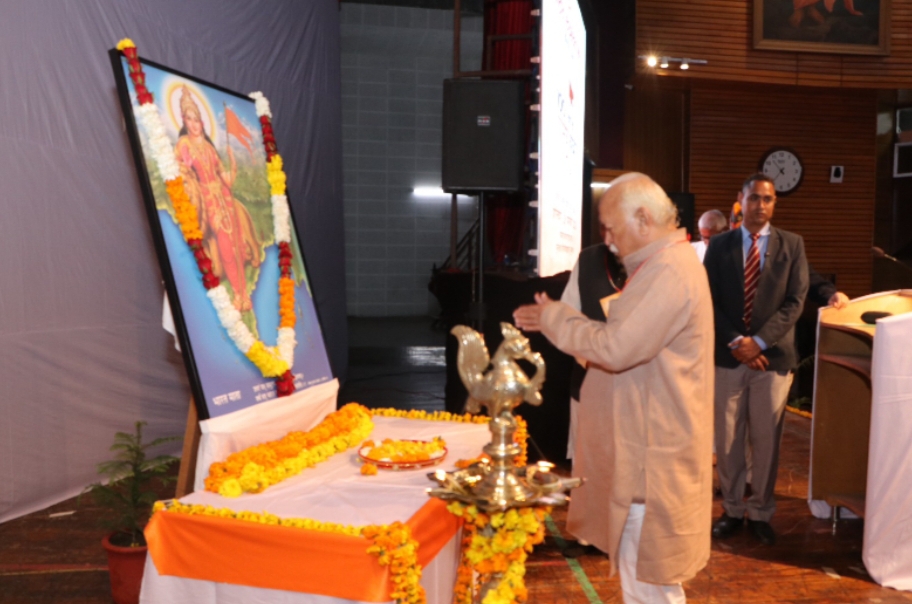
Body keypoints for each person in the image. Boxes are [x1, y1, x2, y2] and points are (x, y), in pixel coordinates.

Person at [514, 173, 714, 603]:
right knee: (642, 582)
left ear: (643, 219)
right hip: (644, 452)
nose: (607, 240)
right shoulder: (660, 265)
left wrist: (557, 319)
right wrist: (564, 320)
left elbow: (616, 347)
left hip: (652, 462)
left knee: (649, 586)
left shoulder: (669, 270)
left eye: (611, 227)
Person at [704, 173, 809, 546]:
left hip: (773, 359)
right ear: (741, 199)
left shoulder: (792, 244)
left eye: (767, 199)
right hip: (729, 356)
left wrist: (760, 343)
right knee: (728, 441)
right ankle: (732, 510)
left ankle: (761, 511)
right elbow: (707, 298)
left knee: (766, 443)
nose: (760, 205)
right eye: (754, 198)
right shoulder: (720, 245)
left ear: (774, 203)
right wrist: (738, 342)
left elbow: (795, 301)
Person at [175, 85, 261, 313]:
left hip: (224, 197)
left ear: (202, 121)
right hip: (207, 200)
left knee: (237, 241)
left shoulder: (210, 149)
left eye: (197, 119)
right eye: (189, 119)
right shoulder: (184, 144)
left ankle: (244, 294)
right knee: (224, 242)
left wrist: (233, 165)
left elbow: (227, 180)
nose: (194, 124)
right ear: (184, 121)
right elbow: (179, 170)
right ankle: (238, 293)